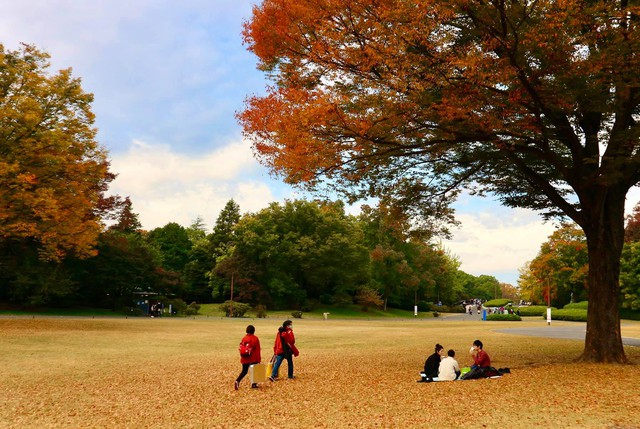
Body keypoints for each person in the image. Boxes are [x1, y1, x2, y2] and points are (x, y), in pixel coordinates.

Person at [234, 325, 261, 390]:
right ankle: (254, 384)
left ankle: (237, 381)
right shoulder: (255, 338)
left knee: (244, 371)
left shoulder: (244, 338)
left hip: (245, 357)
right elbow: (257, 349)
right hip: (253, 358)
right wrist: (258, 359)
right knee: (254, 371)